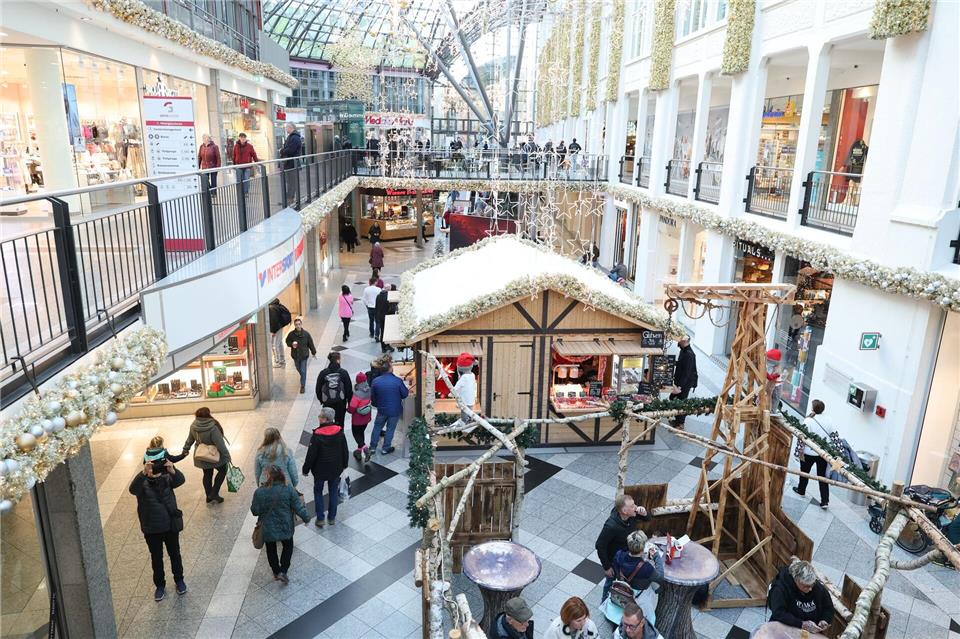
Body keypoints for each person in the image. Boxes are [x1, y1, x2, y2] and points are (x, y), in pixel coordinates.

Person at [129, 457, 187, 601]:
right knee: (156, 558)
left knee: (175, 554)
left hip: (169, 526)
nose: (154, 470)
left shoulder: (167, 479)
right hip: (152, 528)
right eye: (151, 468)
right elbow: (132, 489)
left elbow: (180, 480)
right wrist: (143, 474)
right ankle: (160, 585)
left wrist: (172, 470)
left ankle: (179, 580)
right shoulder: (142, 484)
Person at [250, 465, 310, 584]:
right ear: (282, 475)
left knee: (271, 549)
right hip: (286, 525)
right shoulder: (288, 489)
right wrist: (306, 518)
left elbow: (254, 511)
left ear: (268, 476)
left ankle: (276, 572)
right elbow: (298, 506)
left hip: (268, 528)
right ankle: (284, 571)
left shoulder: (259, 492)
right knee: (288, 547)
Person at [595, 494, 652, 600]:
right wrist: (607, 567)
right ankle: (605, 603)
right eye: (632, 505)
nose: (636, 507)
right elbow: (600, 545)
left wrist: (644, 513)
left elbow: (648, 518)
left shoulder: (632, 515)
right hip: (614, 561)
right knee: (610, 583)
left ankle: (622, 599)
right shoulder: (611, 526)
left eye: (634, 504)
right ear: (624, 511)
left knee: (624, 582)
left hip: (627, 556)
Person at [302, 407, 349, 527]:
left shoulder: (317, 435)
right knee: (333, 491)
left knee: (318, 492)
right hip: (335, 469)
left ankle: (320, 518)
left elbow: (311, 455)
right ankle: (332, 518)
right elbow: (345, 450)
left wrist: (305, 469)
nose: (318, 418)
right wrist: (344, 465)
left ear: (324, 419)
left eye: (319, 416)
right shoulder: (339, 432)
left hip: (320, 471)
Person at [605, 530, 664, 626]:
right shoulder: (646, 568)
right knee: (656, 587)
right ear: (642, 548)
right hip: (639, 596)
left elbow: (616, 568)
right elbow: (660, 577)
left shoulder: (619, 555)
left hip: (622, 588)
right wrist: (656, 557)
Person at [767, 560, 834, 634]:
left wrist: (824, 620)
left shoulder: (816, 587)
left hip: (810, 631)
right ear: (796, 580)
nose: (810, 589)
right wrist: (801, 624)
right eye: (806, 586)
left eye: (812, 585)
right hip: (786, 626)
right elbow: (778, 613)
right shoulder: (780, 588)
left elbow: (828, 607)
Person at [181, 407, 231, 504]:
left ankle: (209, 496)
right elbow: (220, 444)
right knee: (223, 470)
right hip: (213, 454)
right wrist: (227, 456)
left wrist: (185, 449)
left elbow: (190, 440)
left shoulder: (194, 426)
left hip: (202, 455)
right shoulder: (213, 427)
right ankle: (214, 493)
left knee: (207, 474)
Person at [793, 399, 832, 508]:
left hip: (808, 453)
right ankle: (825, 501)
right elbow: (834, 435)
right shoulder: (828, 419)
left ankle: (801, 490)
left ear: (813, 408)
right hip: (822, 453)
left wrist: (798, 452)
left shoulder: (808, 420)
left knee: (804, 473)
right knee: (822, 477)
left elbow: (801, 437)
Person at [369, 358, 409, 455]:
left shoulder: (375, 381)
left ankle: (372, 447)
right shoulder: (397, 381)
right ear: (390, 369)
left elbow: (373, 397)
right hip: (394, 410)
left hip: (381, 409)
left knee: (377, 427)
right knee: (390, 429)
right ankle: (385, 448)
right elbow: (405, 394)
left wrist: (376, 405)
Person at [315, 351, 353, 427]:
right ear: (338, 360)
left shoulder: (323, 373)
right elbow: (349, 389)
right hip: (341, 402)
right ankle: (339, 436)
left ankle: (328, 436)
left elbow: (318, 389)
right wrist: (348, 402)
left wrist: (322, 400)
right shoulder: (343, 372)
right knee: (340, 422)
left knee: (327, 422)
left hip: (327, 402)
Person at [669, 337, 698, 428]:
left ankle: (680, 423)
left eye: (680, 341)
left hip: (685, 383)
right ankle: (677, 420)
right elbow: (682, 364)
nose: (678, 342)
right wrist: (673, 362)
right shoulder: (683, 351)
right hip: (680, 380)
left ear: (684, 342)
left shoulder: (689, 354)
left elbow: (687, 373)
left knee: (681, 401)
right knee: (673, 398)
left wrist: (679, 387)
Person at [285, 317, 317, 394]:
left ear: (301, 324)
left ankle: (302, 386)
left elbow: (310, 343)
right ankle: (303, 376)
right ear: (295, 326)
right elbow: (287, 341)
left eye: (299, 324)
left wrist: (313, 352)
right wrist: (291, 344)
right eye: (296, 325)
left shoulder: (306, 334)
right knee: (298, 368)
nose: (298, 326)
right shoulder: (291, 334)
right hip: (295, 356)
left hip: (304, 355)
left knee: (303, 370)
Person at [347, 372, 374, 461]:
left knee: (356, 434)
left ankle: (366, 449)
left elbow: (352, 408)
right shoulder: (369, 389)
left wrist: (347, 409)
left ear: (357, 381)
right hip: (366, 417)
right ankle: (358, 451)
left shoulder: (357, 394)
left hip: (357, 419)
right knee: (361, 433)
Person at [280, 123, 303, 204]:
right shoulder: (292, 136)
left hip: (292, 164)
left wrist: (281, 151)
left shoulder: (295, 137)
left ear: (290, 128)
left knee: (291, 182)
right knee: (290, 182)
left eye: (286, 128)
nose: (286, 129)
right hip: (290, 163)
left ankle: (290, 199)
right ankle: (289, 198)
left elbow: (291, 150)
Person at [451, 352, 477, 424]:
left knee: (464, 412)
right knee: (470, 410)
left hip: (465, 400)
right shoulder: (472, 375)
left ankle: (464, 422)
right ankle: (469, 421)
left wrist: (451, 392)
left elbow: (457, 386)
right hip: (471, 398)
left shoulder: (464, 377)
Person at [268, 298, 292, 368]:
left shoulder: (271, 308)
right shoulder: (277, 305)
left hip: (276, 328)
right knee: (279, 343)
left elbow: (273, 320)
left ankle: (277, 362)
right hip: (280, 326)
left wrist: (273, 331)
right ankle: (282, 359)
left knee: (274, 345)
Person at [374, 284, 396, 352]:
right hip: (388, 317)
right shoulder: (389, 297)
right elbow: (392, 309)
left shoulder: (378, 296)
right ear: (389, 289)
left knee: (382, 332)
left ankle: (383, 347)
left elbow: (376, 307)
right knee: (387, 333)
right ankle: (387, 346)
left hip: (380, 317)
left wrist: (377, 316)